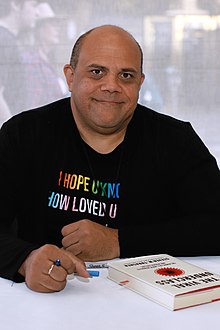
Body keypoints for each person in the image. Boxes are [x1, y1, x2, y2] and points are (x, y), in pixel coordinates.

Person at [0, 24, 220, 293]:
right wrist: (25, 259)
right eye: (96, 72)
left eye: (126, 75)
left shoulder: (176, 141)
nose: (111, 86)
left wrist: (119, 241)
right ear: (70, 77)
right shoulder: (23, 134)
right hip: (47, 301)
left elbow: (214, 224)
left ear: (140, 83)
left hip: (153, 306)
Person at [0, 0, 40, 124]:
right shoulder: (4, 39)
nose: (37, 13)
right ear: (15, 5)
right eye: (33, 6)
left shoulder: (8, 38)